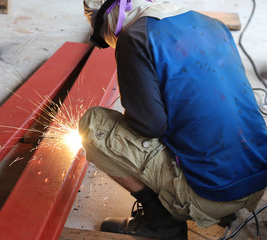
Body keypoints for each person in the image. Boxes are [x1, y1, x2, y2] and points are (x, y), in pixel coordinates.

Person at [78, 0, 267, 239]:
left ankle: (161, 222)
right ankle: (224, 211)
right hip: (256, 178)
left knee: (93, 125)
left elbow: (151, 126)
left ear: (110, 15)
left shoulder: (134, 37)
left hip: (211, 193)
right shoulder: (211, 23)